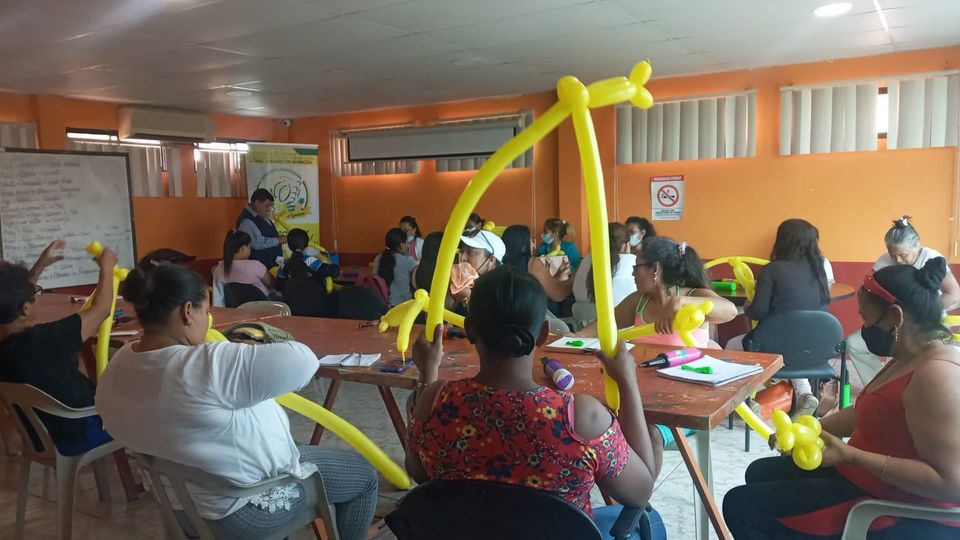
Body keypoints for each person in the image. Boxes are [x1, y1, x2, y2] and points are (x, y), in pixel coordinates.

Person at [95, 264, 378, 540]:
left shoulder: (119, 363)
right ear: (187, 312)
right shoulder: (205, 363)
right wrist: (241, 350)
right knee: (364, 476)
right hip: (242, 510)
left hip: (179, 506)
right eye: (206, 311)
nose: (208, 320)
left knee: (303, 449)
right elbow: (303, 361)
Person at [405, 266, 666, 540]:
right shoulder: (580, 418)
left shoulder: (436, 401)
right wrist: (627, 379)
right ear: (543, 334)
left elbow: (420, 473)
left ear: (469, 330)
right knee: (651, 522)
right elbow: (640, 492)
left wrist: (427, 374)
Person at [722, 258, 960, 539]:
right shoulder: (909, 354)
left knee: (739, 506)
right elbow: (868, 411)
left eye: (866, 318)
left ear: (895, 317)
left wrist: (852, 455)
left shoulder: (936, 375)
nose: (863, 327)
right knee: (760, 472)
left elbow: (951, 482)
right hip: (866, 479)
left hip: (892, 508)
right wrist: (809, 430)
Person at [0, 241, 117, 455]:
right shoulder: (45, 340)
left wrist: (39, 266)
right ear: (25, 309)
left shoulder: (8, 343)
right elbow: (101, 309)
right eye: (36, 294)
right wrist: (107, 266)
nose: (38, 297)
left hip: (39, 437)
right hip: (80, 432)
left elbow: (10, 297)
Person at [726, 219, 833, 418]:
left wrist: (748, 307)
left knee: (733, 345)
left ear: (781, 241)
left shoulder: (773, 269)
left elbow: (759, 311)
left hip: (777, 344)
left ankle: (747, 399)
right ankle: (805, 394)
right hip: (815, 345)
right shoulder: (820, 268)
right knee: (793, 348)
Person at [846, 216, 960, 387]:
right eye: (893, 255)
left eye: (903, 255)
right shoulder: (884, 261)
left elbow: (954, 294)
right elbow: (870, 294)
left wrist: (918, 312)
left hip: (926, 324)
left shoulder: (931, 258)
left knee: (913, 357)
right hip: (892, 323)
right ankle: (879, 386)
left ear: (917, 246)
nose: (897, 260)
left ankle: (905, 385)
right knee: (854, 344)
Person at [576, 237, 737, 347]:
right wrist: (579, 336)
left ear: (655, 269)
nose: (632, 273)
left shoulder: (693, 295)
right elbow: (606, 323)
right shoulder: (638, 300)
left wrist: (679, 302)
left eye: (636, 267)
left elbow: (731, 311)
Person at [502, 224, 574, 302]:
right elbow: (558, 293)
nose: (533, 244)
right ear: (523, 244)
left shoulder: (500, 263)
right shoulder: (530, 263)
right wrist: (578, 275)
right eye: (531, 240)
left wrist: (557, 277)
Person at [574, 222, 638, 306]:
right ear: (626, 245)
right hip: (621, 313)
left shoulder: (587, 258)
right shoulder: (632, 260)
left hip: (583, 314)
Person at [211, 230, 275, 308]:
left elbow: (218, 298)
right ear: (243, 248)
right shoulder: (255, 265)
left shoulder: (220, 269)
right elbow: (271, 284)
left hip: (236, 310)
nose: (250, 250)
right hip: (264, 307)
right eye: (249, 247)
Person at [448, 229, 505, 312]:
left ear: (491, 260)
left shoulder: (502, 291)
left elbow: (488, 318)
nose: (462, 258)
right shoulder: (469, 280)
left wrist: (467, 297)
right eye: (462, 252)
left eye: (470, 253)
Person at [236, 188, 286, 268]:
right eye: (267, 206)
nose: (269, 209)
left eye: (271, 207)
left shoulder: (261, 215)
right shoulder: (246, 220)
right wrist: (278, 240)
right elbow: (256, 243)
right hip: (260, 267)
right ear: (257, 203)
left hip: (272, 265)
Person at [373, 228, 417, 307]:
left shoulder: (378, 259)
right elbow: (417, 282)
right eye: (407, 242)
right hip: (404, 305)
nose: (408, 245)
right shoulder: (408, 261)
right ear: (402, 245)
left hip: (383, 306)